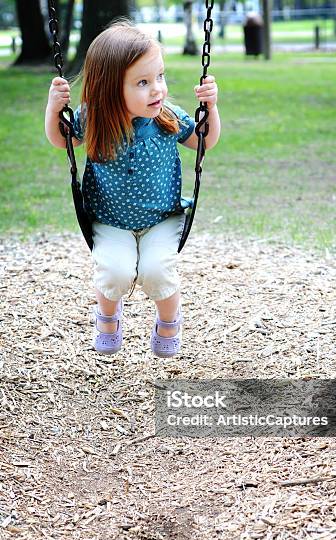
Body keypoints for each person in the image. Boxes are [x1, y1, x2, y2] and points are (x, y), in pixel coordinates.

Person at [45, 20, 220, 358]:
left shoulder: (166, 117)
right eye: (143, 82)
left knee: (157, 272)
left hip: (162, 219)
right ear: (110, 88)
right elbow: (61, 139)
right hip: (110, 219)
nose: (157, 89)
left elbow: (205, 141)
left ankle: (169, 324)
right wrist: (54, 109)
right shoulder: (94, 118)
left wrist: (211, 108)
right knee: (116, 272)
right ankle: (107, 319)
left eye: (160, 77)